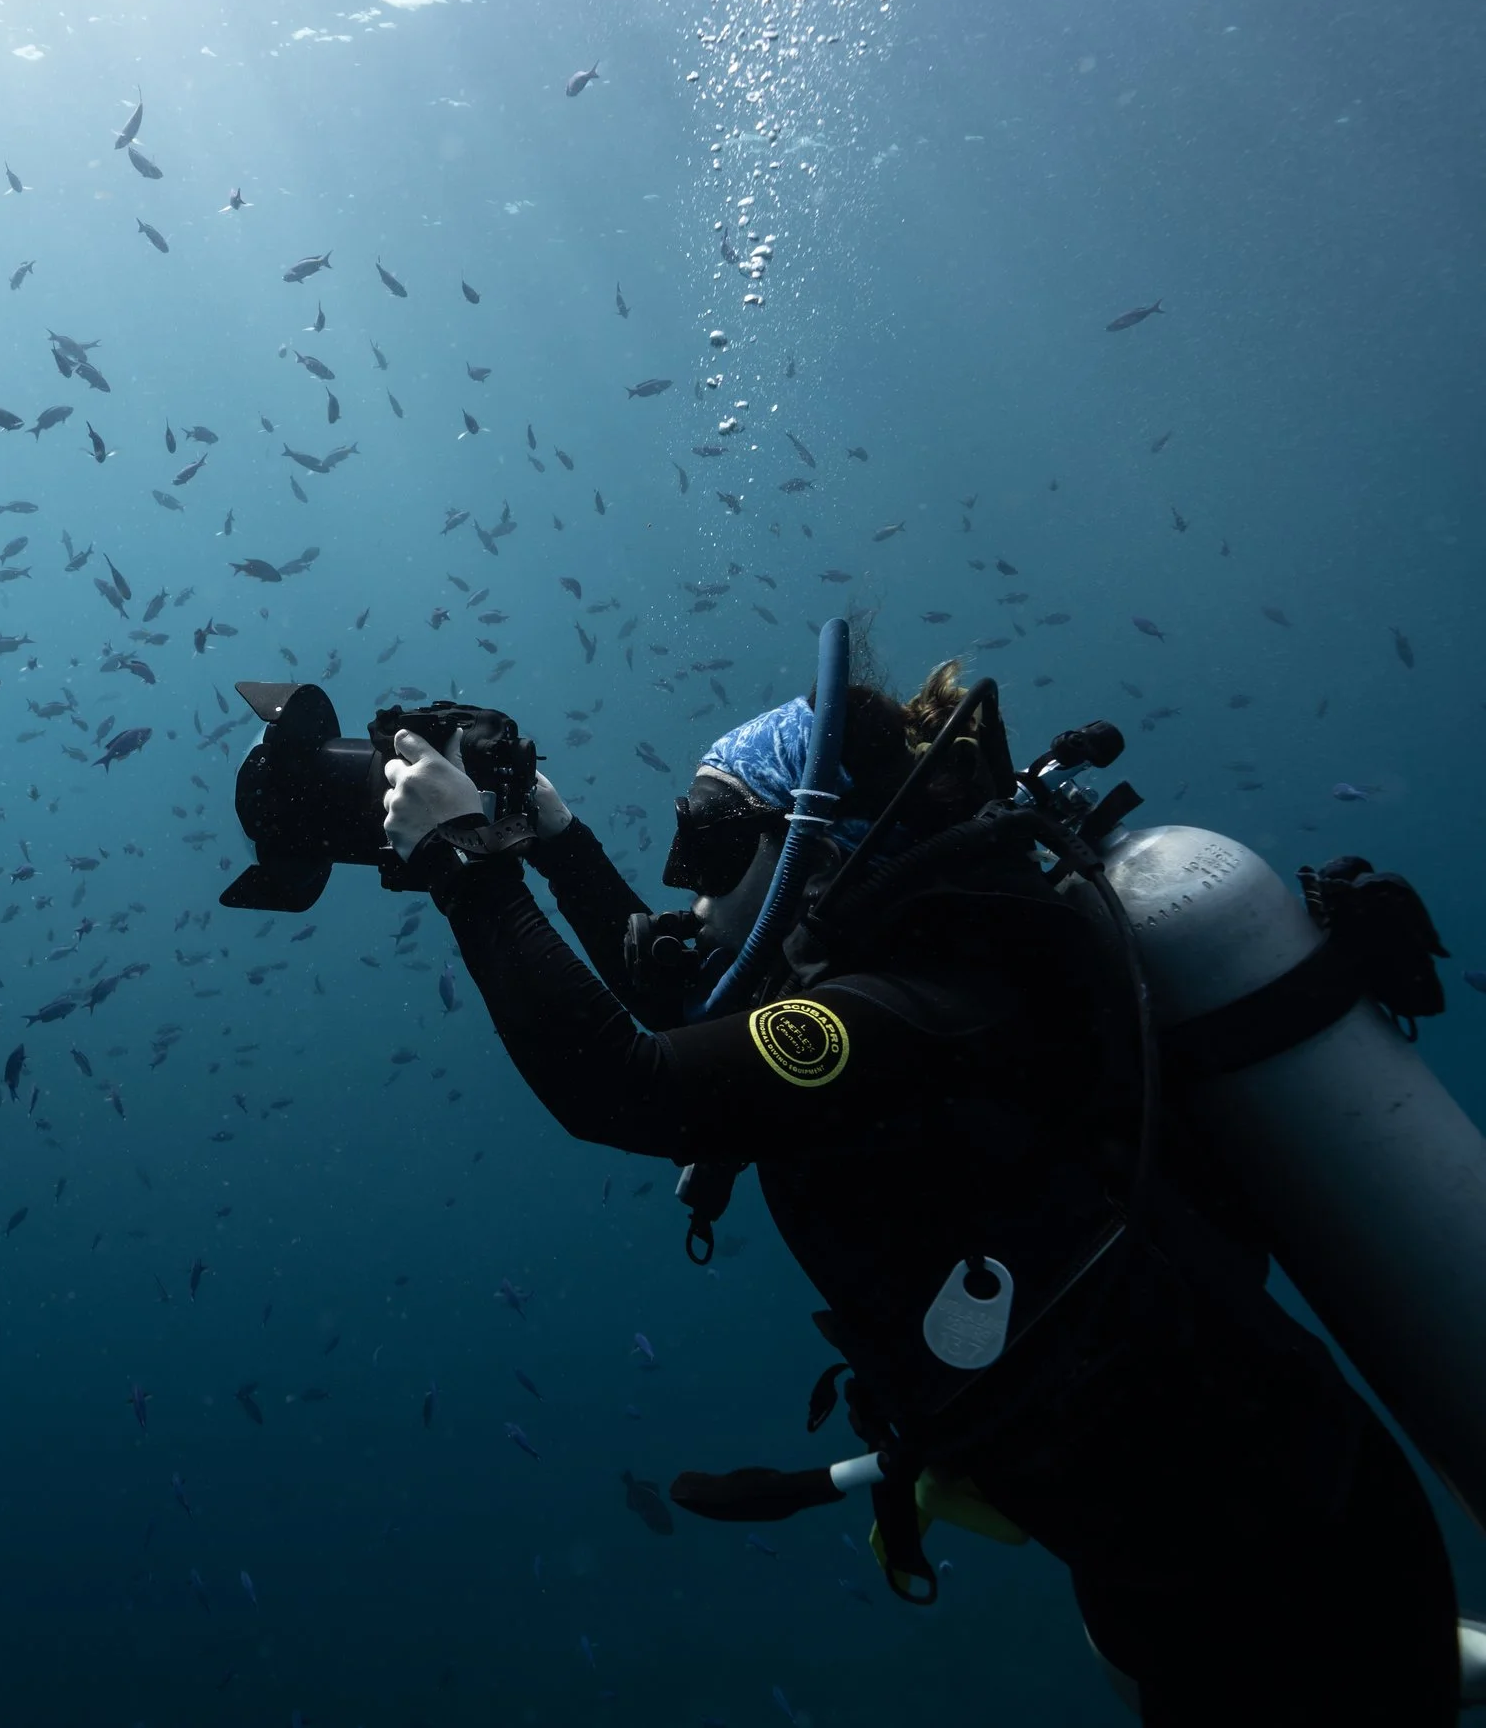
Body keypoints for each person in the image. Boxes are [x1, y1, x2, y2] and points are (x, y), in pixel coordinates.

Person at [379, 656, 1460, 1724]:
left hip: (1288, 1581)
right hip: (1212, 1550)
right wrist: (558, 841)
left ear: (815, 837)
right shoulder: (918, 974)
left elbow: (630, 1087)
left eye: (708, 834)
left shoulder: (913, 1006)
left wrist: (469, 866)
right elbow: (676, 1001)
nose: (683, 876)